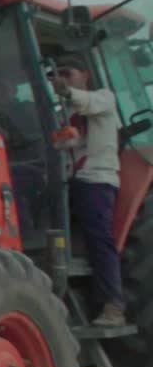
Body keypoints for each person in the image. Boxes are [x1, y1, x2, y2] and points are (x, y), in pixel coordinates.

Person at [51, 54, 125, 326]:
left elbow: (86, 102)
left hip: (97, 179)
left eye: (67, 73)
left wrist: (65, 91)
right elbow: (64, 147)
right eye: (58, 73)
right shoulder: (66, 115)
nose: (62, 77)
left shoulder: (104, 98)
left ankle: (113, 307)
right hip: (73, 180)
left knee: (99, 239)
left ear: (85, 74)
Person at [0, 74, 46, 233]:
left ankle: (24, 235)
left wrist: (9, 137)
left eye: (2, 88)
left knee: (10, 189)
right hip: (3, 169)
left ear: (13, 90)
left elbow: (38, 134)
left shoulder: (28, 109)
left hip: (32, 166)